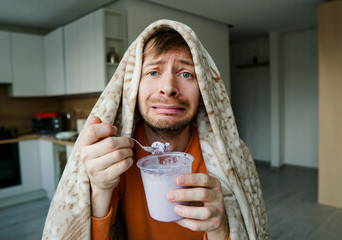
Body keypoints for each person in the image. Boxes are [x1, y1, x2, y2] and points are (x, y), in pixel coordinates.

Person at [42, 20, 269, 240]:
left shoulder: (233, 158)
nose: (168, 88)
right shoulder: (115, 157)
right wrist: (100, 190)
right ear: (133, 89)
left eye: (186, 74)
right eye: (153, 72)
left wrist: (219, 229)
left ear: (204, 95)